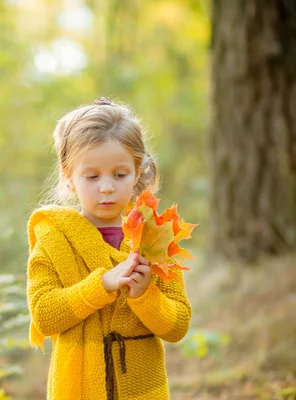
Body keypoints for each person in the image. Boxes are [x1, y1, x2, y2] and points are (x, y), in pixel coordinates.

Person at [26, 98, 192, 400]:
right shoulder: (54, 238)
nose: (106, 187)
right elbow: (44, 316)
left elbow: (177, 327)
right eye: (92, 176)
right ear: (69, 176)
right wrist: (101, 285)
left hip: (143, 388)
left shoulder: (153, 237)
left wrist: (144, 296)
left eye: (119, 175)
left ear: (138, 171)